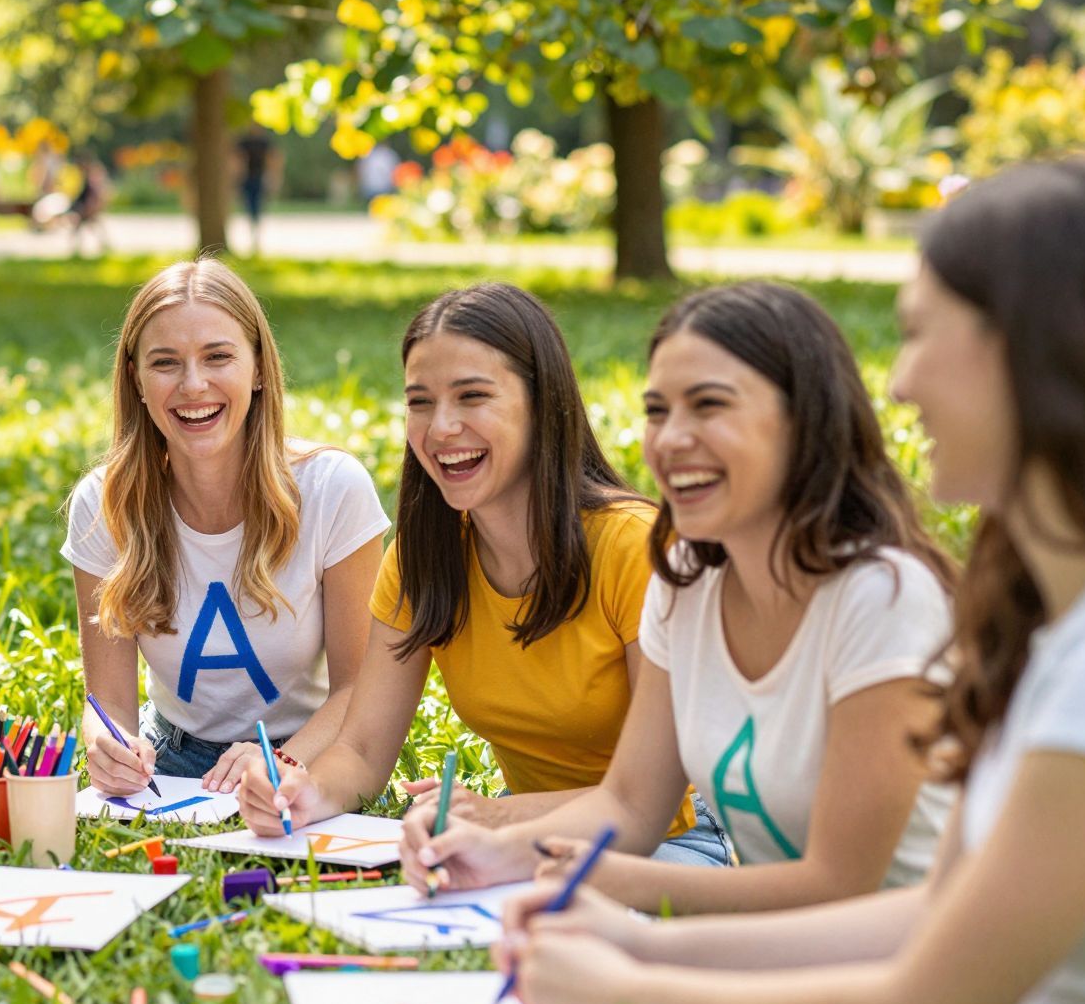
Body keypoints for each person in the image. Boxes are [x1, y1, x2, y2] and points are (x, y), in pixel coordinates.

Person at [497, 158, 1085, 1004]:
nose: (896, 384)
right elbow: (925, 922)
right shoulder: (1046, 623)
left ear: (1031, 351)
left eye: (915, 335)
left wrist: (633, 1003)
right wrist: (636, 945)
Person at [403, 280, 956, 915]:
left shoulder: (881, 597)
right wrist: (495, 854)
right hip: (794, 952)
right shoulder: (686, 581)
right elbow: (633, 806)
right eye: (658, 411)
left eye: (709, 406)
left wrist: (608, 907)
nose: (669, 439)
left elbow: (838, 888)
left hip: (908, 966)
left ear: (805, 420)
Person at [237, 283, 729, 867]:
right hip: (531, 830)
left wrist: (497, 817)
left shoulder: (635, 549)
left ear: (543, 403)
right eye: (419, 401)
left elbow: (656, 800)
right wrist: (305, 791)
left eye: (472, 396)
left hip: (678, 837)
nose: (441, 427)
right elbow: (365, 749)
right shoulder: (424, 557)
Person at [66, 257, 389, 796]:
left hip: (309, 749)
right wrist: (109, 746)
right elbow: (110, 705)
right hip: (169, 759)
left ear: (259, 369)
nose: (194, 385)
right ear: (136, 380)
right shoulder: (104, 502)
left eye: (218, 357)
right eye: (165, 363)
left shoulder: (333, 488)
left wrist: (280, 759)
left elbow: (358, 688)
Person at [235, 125, 281, 257]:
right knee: (249, 207)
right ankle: (253, 234)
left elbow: (273, 159)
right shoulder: (244, 142)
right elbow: (238, 160)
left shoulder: (265, 142)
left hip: (259, 179)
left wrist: (273, 177)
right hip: (247, 179)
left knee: (257, 207)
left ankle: (256, 237)